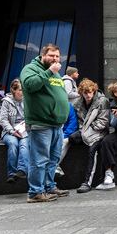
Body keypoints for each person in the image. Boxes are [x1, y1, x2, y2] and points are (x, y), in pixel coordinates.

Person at [20, 44, 71, 203]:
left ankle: (49, 187)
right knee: (39, 159)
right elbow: (30, 85)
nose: (55, 59)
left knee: (53, 159)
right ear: (43, 55)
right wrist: (49, 72)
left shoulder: (55, 74)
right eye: (51, 55)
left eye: (57, 56)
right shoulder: (30, 69)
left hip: (56, 124)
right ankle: (35, 192)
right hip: (40, 124)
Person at [72, 79, 110, 194]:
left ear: (94, 91)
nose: (88, 95)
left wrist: (89, 129)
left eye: (90, 92)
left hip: (98, 132)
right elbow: (78, 121)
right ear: (81, 93)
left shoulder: (102, 101)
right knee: (70, 139)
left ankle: (87, 182)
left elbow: (103, 122)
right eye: (85, 92)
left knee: (92, 149)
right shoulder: (78, 103)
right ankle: (56, 167)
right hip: (84, 131)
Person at [0, 79, 29, 183]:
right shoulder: (6, 102)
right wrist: (12, 131)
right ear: (13, 90)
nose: (22, 92)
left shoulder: (27, 101)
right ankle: (11, 174)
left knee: (24, 144)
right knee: (13, 144)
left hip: (25, 131)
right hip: (9, 131)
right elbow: (3, 120)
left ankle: (21, 170)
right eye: (20, 90)